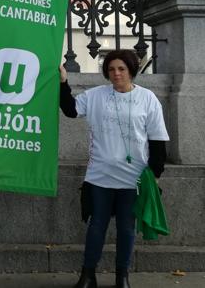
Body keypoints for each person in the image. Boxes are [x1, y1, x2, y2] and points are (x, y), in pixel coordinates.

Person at [59, 50, 170, 288]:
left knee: (126, 228)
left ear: (131, 70)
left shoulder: (148, 98)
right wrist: (63, 82)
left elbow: (158, 139)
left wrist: (155, 174)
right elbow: (70, 109)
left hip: (134, 178)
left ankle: (122, 276)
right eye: (111, 69)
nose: (116, 74)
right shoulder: (96, 96)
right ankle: (88, 275)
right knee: (96, 225)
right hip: (100, 175)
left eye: (121, 69)